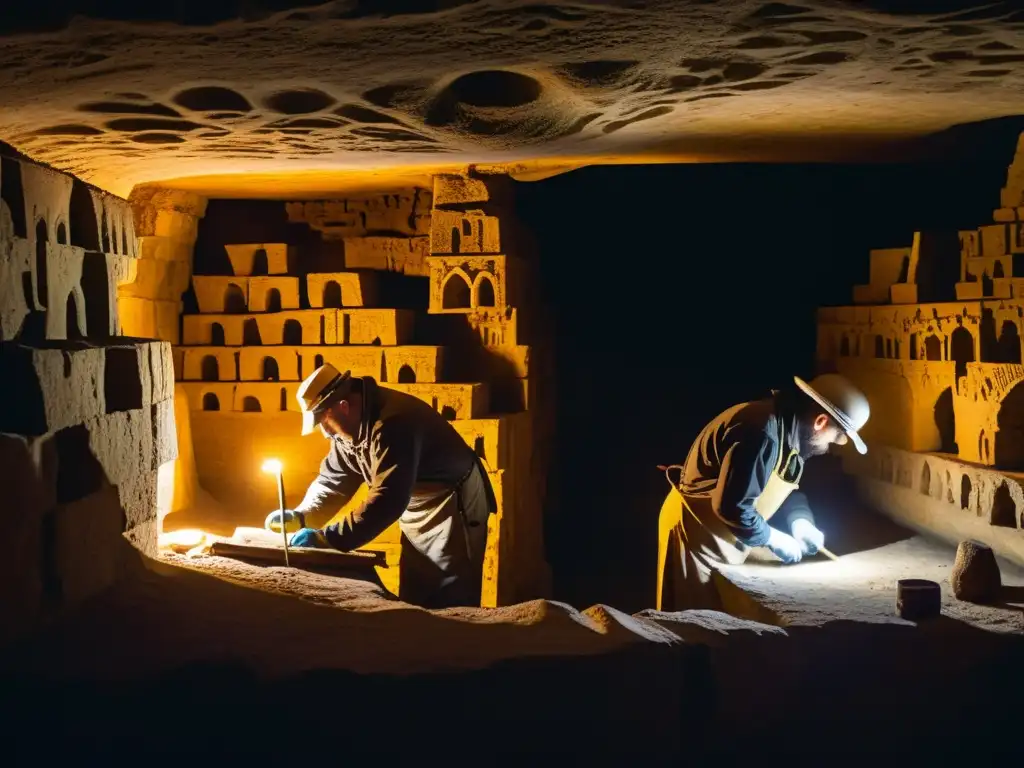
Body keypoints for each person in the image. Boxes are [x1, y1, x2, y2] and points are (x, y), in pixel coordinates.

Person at [268, 363, 497, 609]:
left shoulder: (394, 424)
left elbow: (388, 500)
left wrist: (329, 539)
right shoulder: (348, 429)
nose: (324, 432)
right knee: (418, 590)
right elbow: (333, 481)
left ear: (343, 406)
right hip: (416, 504)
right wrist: (302, 516)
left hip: (450, 504)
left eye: (323, 420)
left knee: (451, 594)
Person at [656, 374, 870, 612]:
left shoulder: (789, 434)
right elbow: (732, 507)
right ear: (820, 421)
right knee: (691, 624)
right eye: (838, 437)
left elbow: (779, 488)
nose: (833, 448)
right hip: (694, 533)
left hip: (722, 536)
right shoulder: (761, 432)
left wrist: (801, 520)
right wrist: (771, 538)